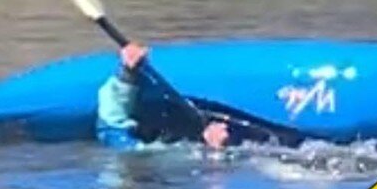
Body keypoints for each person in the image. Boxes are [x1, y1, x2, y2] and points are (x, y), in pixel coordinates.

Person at [98, 43, 304, 149]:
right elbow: (113, 134)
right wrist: (210, 150)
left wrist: (127, 75)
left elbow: (110, 128)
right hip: (220, 154)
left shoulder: (133, 151)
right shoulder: (135, 154)